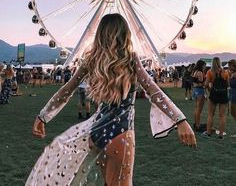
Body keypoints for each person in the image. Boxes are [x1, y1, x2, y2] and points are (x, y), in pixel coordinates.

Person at [26, 13, 196, 186]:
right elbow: (154, 91)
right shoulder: (130, 59)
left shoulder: (91, 60)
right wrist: (179, 119)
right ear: (125, 34)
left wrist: (43, 116)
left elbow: (66, 90)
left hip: (96, 132)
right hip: (120, 133)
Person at [203, 57, 229, 139]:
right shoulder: (225, 72)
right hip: (223, 94)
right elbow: (228, 85)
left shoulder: (210, 72)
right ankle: (221, 135)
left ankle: (208, 133)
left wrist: (209, 89)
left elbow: (206, 84)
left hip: (214, 94)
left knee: (211, 114)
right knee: (222, 116)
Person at [191, 60, 206, 132]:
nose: (205, 67)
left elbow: (195, 82)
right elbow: (200, 83)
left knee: (196, 108)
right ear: (201, 65)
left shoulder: (195, 72)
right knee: (199, 110)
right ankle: (198, 125)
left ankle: (196, 124)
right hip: (199, 90)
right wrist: (206, 83)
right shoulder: (200, 72)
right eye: (204, 65)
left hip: (195, 90)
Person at [227, 60, 236, 136]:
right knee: (233, 112)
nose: (228, 67)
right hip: (233, 94)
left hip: (235, 94)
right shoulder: (232, 74)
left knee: (233, 112)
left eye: (230, 66)